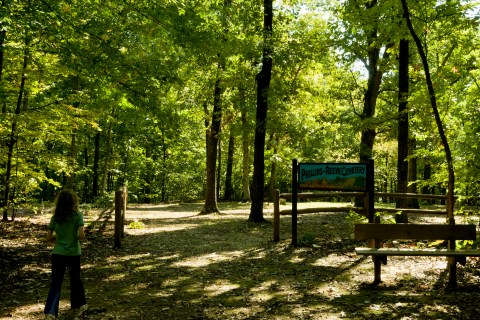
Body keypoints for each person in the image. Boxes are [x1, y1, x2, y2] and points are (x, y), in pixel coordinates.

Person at [44, 189, 88, 320]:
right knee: (75, 279)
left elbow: (48, 238)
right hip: (74, 253)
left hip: (58, 253)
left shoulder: (55, 217)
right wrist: (74, 236)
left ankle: (50, 312)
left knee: (56, 282)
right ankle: (79, 305)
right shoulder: (78, 215)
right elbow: (81, 235)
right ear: (74, 201)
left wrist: (57, 239)